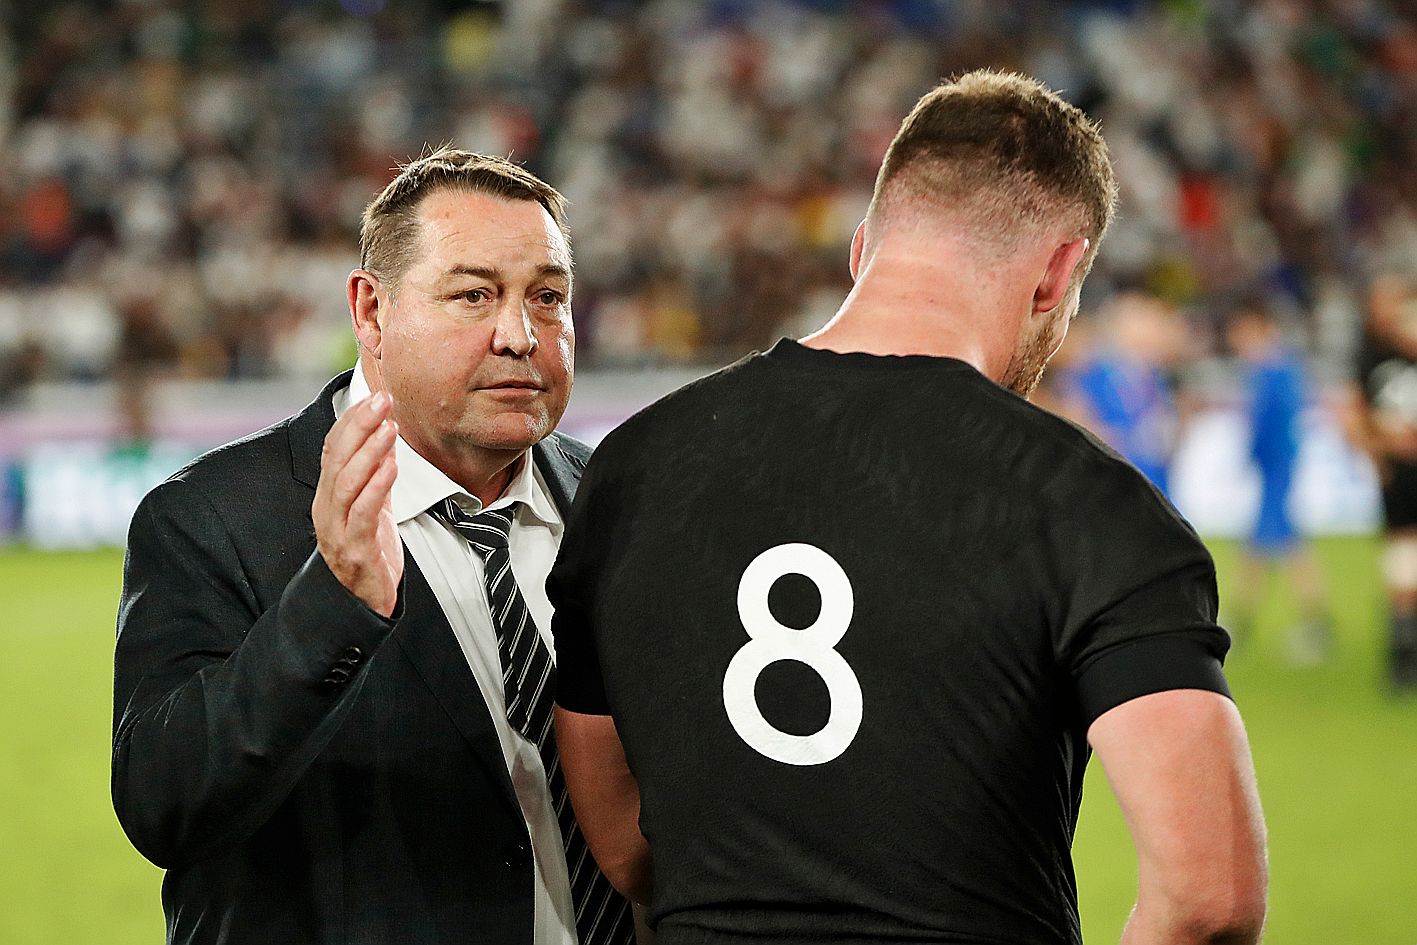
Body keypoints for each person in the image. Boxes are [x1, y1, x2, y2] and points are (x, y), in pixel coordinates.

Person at [548, 71, 1268, 945]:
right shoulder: (1089, 501)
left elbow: (625, 841)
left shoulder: (632, 464)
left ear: (862, 250)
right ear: (1056, 274)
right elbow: (1209, 896)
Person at [112, 149, 634, 945]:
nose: (520, 335)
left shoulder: (616, 501)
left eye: (547, 296)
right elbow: (165, 804)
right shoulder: (211, 516)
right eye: (473, 294)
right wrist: (332, 603)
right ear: (371, 310)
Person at [1225, 300, 1333, 663]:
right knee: (1275, 545)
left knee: (1277, 546)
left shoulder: (1274, 371)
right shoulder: (1275, 370)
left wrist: (1254, 457)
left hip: (1276, 470)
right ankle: (1251, 620)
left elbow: (1272, 427)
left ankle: (1309, 625)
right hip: (1276, 469)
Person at [1351, 272, 1417, 690]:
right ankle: (1402, 652)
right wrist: (1378, 448)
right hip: (1402, 478)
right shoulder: (1371, 358)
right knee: (1403, 562)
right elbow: (1356, 414)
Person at [1063, 290, 1183, 497]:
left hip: (1155, 483)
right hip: (1112, 484)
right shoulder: (1093, 374)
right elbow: (1077, 423)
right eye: (1144, 319)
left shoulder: (1153, 377)